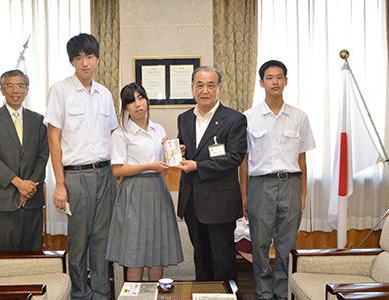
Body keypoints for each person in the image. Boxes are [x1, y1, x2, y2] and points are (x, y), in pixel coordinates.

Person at [44, 33, 118, 299]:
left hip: (105, 174)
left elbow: (115, 136)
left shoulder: (105, 94)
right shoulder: (60, 91)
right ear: (72, 62)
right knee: (78, 243)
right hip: (76, 177)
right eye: (79, 58)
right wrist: (60, 184)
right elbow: (53, 138)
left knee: (101, 240)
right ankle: (79, 293)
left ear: (97, 59)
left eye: (90, 56)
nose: (85, 63)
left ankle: (100, 293)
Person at [239, 60, 315, 300]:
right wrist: (244, 194)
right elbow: (244, 161)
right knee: (260, 245)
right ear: (262, 83)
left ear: (286, 81)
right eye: (270, 78)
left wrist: (303, 192)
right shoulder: (248, 118)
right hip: (260, 186)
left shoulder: (299, 117)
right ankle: (263, 293)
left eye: (279, 77)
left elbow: (302, 159)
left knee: (287, 245)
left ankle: (283, 293)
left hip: (291, 184)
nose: (275, 82)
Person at [105, 83, 184, 281]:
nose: (138, 104)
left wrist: (174, 155)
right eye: (131, 101)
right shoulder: (121, 133)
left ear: (147, 100)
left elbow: (163, 166)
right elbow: (117, 170)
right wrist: (148, 166)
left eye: (141, 98)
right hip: (133, 191)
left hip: (157, 189)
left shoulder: (159, 130)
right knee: (135, 251)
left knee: (157, 250)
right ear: (125, 108)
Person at [177, 66, 247, 282]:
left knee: (222, 258)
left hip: (220, 202)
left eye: (210, 85)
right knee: (201, 257)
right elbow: (188, 150)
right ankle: (202, 295)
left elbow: (234, 157)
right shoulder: (184, 118)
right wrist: (177, 151)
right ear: (192, 88)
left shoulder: (234, 119)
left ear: (220, 88)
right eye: (199, 85)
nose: (204, 90)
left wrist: (198, 166)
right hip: (192, 201)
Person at [0, 69, 48, 252]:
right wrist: (18, 184)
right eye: (10, 86)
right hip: (5, 199)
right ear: (2, 90)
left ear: (27, 90)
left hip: (32, 199)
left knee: (33, 253)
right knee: (5, 257)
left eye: (21, 85)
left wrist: (29, 187)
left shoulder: (38, 120)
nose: (15, 90)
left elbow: (43, 156)